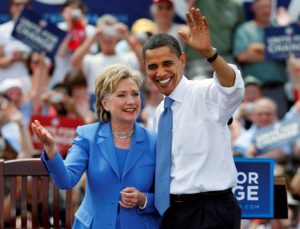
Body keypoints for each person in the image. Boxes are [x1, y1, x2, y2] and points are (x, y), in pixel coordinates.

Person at [142, 7, 244, 229]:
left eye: (167, 63)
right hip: (173, 212)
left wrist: (210, 54)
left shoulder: (205, 91)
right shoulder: (159, 113)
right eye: (153, 67)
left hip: (212, 210)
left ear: (183, 60)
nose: (160, 72)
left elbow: (232, 87)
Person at [31, 64, 160, 229]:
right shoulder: (88, 136)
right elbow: (66, 180)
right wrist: (50, 148)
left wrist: (144, 200)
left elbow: (165, 196)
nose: (131, 101)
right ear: (105, 103)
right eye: (121, 95)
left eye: (135, 94)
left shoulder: (154, 141)